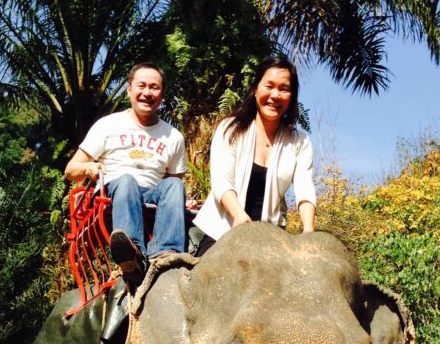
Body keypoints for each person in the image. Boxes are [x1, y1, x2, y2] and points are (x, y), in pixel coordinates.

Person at [64, 62, 187, 287]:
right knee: (127, 180)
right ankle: (132, 252)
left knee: (175, 187)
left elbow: (174, 182)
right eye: (142, 86)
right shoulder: (108, 125)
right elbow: (71, 170)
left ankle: (166, 253)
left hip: (152, 193)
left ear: (162, 95)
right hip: (115, 190)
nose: (147, 93)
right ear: (129, 89)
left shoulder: (174, 137)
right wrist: (88, 168)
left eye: (154, 87)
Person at [192, 54, 316, 255]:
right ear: (255, 89)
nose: (275, 95)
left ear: (292, 96)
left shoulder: (300, 142)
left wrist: (309, 231)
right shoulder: (229, 129)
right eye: (269, 86)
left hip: (270, 239)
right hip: (222, 232)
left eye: (284, 89)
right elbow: (222, 182)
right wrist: (239, 217)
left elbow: (305, 188)